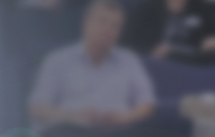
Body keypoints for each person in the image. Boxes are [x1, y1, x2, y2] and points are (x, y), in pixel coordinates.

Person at [29, 0, 155, 129]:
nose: (108, 29)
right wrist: (71, 117)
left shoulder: (129, 60)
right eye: (102, 21)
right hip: (71, 135)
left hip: (117, 136)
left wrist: (125, 118)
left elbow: (147, 104)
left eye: (115, 26)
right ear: (86, 23)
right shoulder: (57, 60)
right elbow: (37, 108)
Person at [124, 0, 215, 65]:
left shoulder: (200, 8)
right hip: (158, 66)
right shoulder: (148, 9)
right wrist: (150, 52)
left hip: (193, 65)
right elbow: (126, 43)